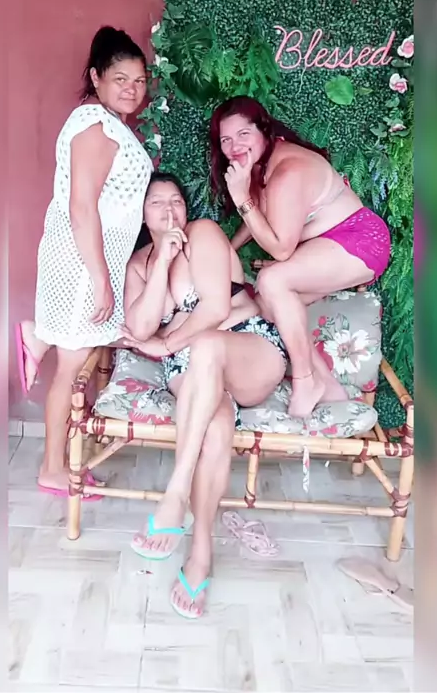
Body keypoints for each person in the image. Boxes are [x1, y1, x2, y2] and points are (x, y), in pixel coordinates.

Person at [120, 172, 294, 619]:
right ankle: (200, 555)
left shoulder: (204, 234)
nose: (169, 209)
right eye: (156, 202)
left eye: (176, 200)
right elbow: (139, 327)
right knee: (214, 427)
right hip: (192, 371)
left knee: (208, 345)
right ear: (141, 214)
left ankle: (175, 492)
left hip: (248, 349)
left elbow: (216, 308)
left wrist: (168, 342)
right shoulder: (139, 265)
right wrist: (162, 260)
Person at [14, 26, 153, 495]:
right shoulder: (95, 125)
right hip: (81, 264)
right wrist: (99, 279)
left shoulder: (108, 124)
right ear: (95, 78)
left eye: (139, 80)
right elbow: (81, 207)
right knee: (72, 370)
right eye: (120, 79)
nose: (132, 89)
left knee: (84, 356)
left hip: (92, 259)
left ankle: (38, 336)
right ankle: (52, 468)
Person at [209, 95, 391, 418]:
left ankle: (304, 380)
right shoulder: (262, 164)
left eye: (243, 134)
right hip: (325, 244)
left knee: (272, 280)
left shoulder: (287, 171)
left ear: (264, 131)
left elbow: (281, 248)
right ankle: (327, 385)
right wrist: (227, 251)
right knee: (268, 303)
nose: (234, 146)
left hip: (362, 240)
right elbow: (258, 217)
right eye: (225, 140)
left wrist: (240, 197)